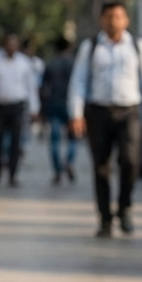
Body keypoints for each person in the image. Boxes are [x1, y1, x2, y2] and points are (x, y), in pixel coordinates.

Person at [68, 1, 142, 236]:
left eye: (118, 16)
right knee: (101, 167)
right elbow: (78, 81)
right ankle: (105, 218)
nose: (113, 21)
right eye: (109, 16)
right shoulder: (90, 48)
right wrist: (76, 114)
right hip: (98, 112)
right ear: (102, 20)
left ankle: (125, 207)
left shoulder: (138, 47)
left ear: (126, 20)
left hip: (129, 111)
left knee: (130, 162)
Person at [0, 33, 41, 186]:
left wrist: (34, 108)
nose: (11, 47)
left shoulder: (24, 63)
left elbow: (30, 87)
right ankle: (0, 163)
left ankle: (12, 174)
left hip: (17, 106)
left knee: (16, 141)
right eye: (8, 44)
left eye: (14, 44)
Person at [41, 36, 78, 184]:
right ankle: (69, 161)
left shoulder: (51, 64)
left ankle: (57, 171)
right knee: (73, 139)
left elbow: (43, 88)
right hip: (72, 105)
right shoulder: (75, 63)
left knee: (55, 140)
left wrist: (42, 108)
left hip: (54, 104)